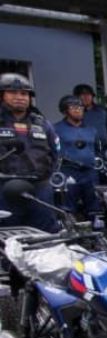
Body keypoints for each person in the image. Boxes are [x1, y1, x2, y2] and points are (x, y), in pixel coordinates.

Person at [0, 73, 59, 232]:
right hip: (4, 190)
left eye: (24, 93)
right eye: (13, 93)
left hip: (39, 190)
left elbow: (55, 155)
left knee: (46, 237)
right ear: (2, 95)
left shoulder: (42, 124)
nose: (20, 97)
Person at [52, 95, 103, 218]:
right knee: (68, 210)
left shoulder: (92, 130)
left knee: (95, 209)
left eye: (80, 107)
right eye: (73, 107)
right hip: (68, 172)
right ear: (65, 110)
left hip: (90, 173)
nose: (78, 110)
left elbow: (98, 151)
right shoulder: (56, 129)